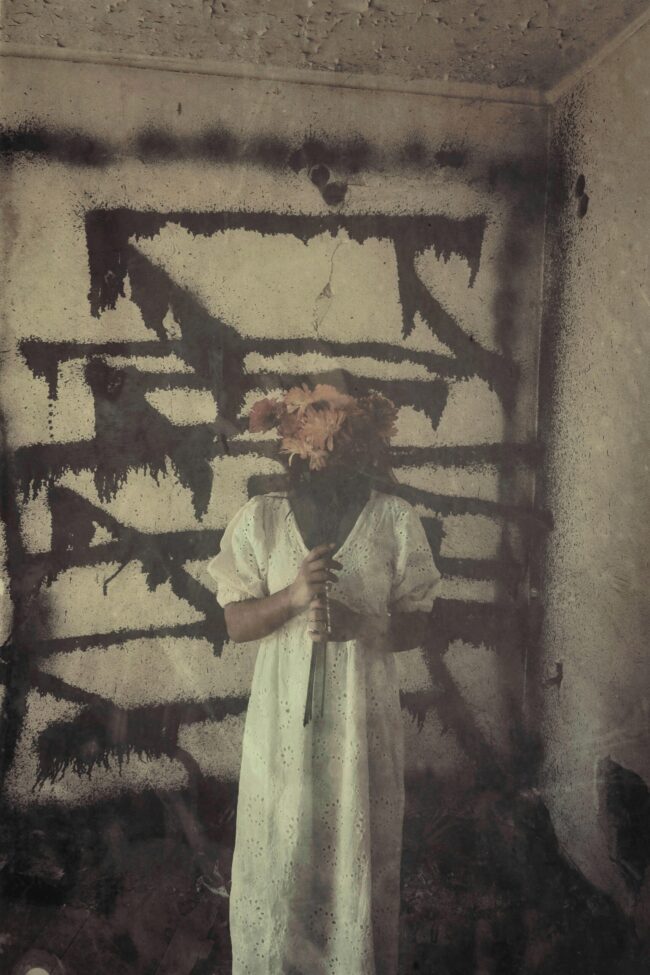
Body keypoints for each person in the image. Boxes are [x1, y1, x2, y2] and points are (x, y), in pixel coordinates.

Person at [207, 383, 441, 975]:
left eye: (339, 447)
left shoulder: (393, 520)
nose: (324, 461)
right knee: (281, 847)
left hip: (361, 720)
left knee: (352, 847)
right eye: (313, 448)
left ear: (365, 448)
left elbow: (419, 621)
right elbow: (235, 623)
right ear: (292, 447)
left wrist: (365, 625)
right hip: (282, 720)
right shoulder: (261, 520)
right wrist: (292, 596)